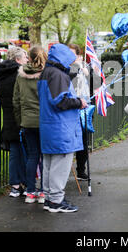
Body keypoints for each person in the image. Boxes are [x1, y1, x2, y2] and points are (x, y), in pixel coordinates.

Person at [38, 43, 88, 213]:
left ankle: (49, 197)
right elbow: (60, 101)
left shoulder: (46, 73)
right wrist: (79, 102)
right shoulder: (58, 75)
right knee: (60, 164)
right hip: (61, 127)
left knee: (49, 164)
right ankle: (56, 200)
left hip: (49, 125)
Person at [13, 45, 47, 204]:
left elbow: (16, 100)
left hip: (27, 121)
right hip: (44, 121)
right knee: (46, 156)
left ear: (30, 58)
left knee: (32, 156)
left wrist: (21, 120)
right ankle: (43, 191)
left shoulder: (20, 75)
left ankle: (30, 191)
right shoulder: (46, 74)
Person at [0, 47, 29, 197]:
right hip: (21, 117)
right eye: (25, 57)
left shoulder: (3, 75)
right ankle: (28, 184)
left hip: (8, 118)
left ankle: (15, 185)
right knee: (27, 152)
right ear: (17, 60)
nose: (27, 59)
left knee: (15, 153)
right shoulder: (19, 75)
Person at [68, 43, 90, 181]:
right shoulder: (66, 68)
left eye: (73, 54)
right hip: (71, 107)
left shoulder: (84, 68)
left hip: (85, 107)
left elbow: (97, 83)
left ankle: (81, 169)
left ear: (78, 55)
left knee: (83, 139)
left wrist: (89, 72)